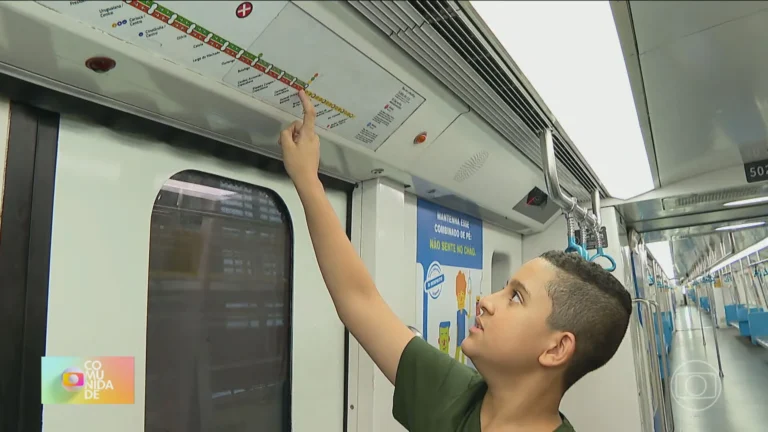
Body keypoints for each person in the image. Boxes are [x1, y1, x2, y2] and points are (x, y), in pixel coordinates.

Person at [279, 90, 633, 432]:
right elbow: (360, 302)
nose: (485, 301)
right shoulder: (455, 398)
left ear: (556, 348)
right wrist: (308, 180)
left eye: (516, 297)